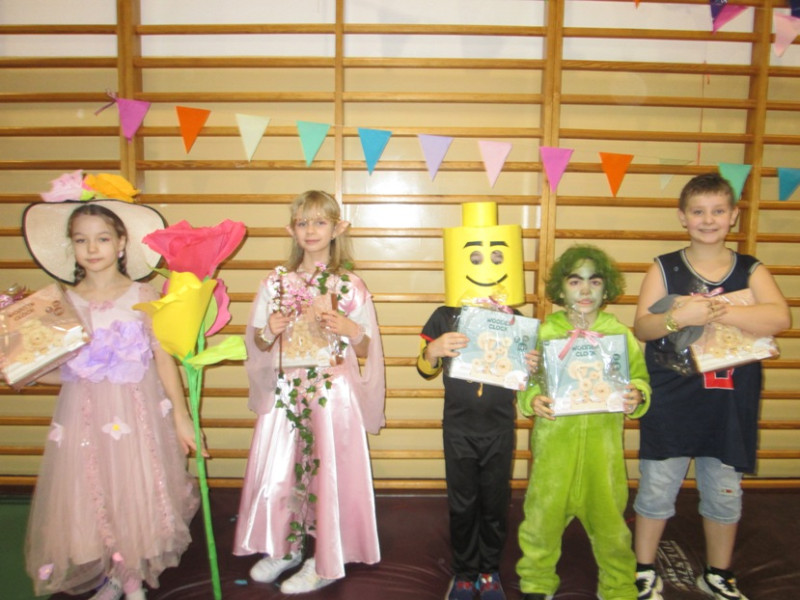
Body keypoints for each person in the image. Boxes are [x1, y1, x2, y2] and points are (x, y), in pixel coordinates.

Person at [20, 193, 203, 600]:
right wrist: (22, 370)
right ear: (72, 246)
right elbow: (62, 370)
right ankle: (114, 572)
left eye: (102, 238)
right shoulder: (61, 302)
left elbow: (163, 358)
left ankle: (131, 575)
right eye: (81, 239)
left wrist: (181, 416)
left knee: (133, 485)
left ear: (121, 243)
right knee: (93, 486)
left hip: (135, 415)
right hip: (85, 414)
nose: (92, 248)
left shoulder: (143, 294)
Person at [632, 173, 791, 600]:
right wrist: (678, 318)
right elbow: (643, 328)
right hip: (672, 399)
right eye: (698, 211)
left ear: (733, 216)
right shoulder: (664, 266)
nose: (708, 219)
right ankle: (644, 569)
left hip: (728, 402)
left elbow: (779, 318)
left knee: (724, 493)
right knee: (657, 487)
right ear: (682, 217)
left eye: (718, 211)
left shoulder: (751, 268)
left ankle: (718, 574)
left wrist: (718, 311)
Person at [234, 190, 386, 594]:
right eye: (303, 222)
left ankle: (325, 561)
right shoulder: (276, 282)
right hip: (286, 391)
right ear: (292, 230)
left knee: (329, 473)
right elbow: (258, 343)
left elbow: (367, 350)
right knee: (282, 470)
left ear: (337, 229)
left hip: (332, 393)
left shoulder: (349, 285)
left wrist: (352, 331)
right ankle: (285, 547)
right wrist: (270, 331)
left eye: (320, 221)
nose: (311, 230)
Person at [515, 245, 651, 600]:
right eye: (575, 281)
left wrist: (637, 395)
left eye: (595, 281)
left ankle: (618, 584)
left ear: (607, 289)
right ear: (561, 289)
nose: (586, 290)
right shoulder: (545, 333)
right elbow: (527, 383)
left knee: (611, 526)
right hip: (554, 453)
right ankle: (536, 581)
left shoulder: (619, 334)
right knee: (541, 519)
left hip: (602, 457)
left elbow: (639, 378)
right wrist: (532, 399)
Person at [418, 201, 536, 600]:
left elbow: (524, 379)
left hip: (499, 427)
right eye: (477, 257)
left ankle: (489, 570)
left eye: (498, 257)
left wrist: (531, 365)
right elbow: (423, 368)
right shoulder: (444, 315)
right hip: (459, 429)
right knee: (463, 503)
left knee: (495, 502)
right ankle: (465, 572)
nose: (488, 265)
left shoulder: (513, 317)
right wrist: (433, 350)